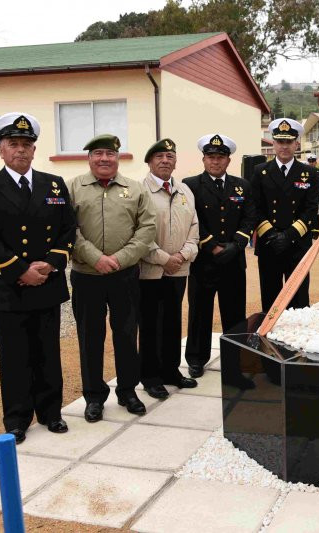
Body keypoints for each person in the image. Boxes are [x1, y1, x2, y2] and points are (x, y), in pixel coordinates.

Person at [0, 112, 76, 444]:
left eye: (26, 144)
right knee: (15, 356)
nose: (20, 150)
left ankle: (50, 412)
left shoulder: (54, 184)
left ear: (34, 149)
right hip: (10, 286)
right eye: (13, 144)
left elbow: (67, 230)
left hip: (47, 282)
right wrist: (21, 270)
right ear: (1, 150)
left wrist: (49, 265)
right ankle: (17, 419)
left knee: (47, 351)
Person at [68, 134, 156, 422]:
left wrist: (120, 259)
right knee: (90, 338)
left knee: (127, 334)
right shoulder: (74, 188)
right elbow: (68, 230)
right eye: (98, 154)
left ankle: (128, 391)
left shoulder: (134, 189)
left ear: (118, 158)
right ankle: (93, 397)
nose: (104, 159)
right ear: (89, 158)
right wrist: (95, 258)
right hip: (87, 276)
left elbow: (146, 229)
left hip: (125, 275)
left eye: (110, 154)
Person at [184, 134, 258, 389]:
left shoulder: (242, 186)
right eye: (211, 157)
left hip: (233, 262)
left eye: (221, 157)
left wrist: (236, 245)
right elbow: (190, 219)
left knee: (235, 315)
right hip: (203, 263)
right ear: (204, 159)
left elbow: (250, 218)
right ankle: (196, 359)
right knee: (200, 312)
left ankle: (234, 363)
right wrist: (211, 245)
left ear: (229, 159)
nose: (216, 161)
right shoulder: (190, 185)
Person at [138, 139, 199, 400]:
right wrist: (164, 258)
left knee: (173, 322)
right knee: (151, 324)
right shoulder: (139, 191)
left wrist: (183, 255)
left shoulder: (185, 191)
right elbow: (138, 234)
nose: (165, 160)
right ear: (150, 162)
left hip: (178, 270)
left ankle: (171, 371)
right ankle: (151, 377)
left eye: (170, 156)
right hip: (150, 271)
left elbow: (194, 229)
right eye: (159, 156)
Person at [250, 118, 319, 312]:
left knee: (298, 300)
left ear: (297, 144)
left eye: (289, 142)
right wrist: (272, 235)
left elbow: (311, 209)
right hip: (269, 244)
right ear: (273, 143)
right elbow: (254, 207)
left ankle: (296, 341)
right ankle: (269, 340)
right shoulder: (260, 171)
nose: (284, 146)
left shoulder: (310, 174)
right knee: (271, 299)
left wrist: (288, 236)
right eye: (280, 141)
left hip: (297, 244)